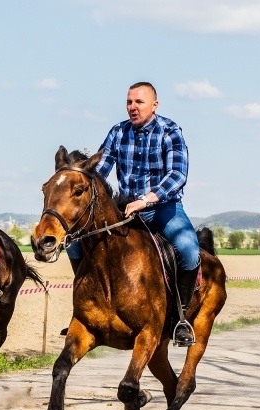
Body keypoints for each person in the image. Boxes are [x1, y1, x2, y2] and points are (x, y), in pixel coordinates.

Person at [66, 82, 201, 346]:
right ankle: (85, 309)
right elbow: (100, 170)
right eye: (129, 102)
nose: (132, 107)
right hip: (123, 210)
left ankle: (180, 319)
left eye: (139, 102)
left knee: (188, 250)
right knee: (74, 246)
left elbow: (178, 175)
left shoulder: (170, 131)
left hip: (162, 208)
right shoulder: (118, 132)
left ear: (154, 105)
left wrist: (146, 200)